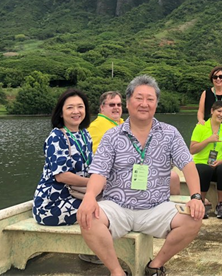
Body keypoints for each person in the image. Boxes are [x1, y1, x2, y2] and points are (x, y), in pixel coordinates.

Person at [77, 75, 204, 276]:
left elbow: (188, 165)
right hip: (117, 206)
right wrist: (90, 197)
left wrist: (196, 197)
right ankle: (116, 271)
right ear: (128, 102)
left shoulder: (169, 133)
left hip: (157, 208)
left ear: (156, 104)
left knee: (194, 219)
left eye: (150, 99)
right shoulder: (112, 135)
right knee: (87, 218)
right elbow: (99, 171)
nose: (144, 104)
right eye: (139, 98)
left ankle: (155, 265)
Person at [33, 88, 93, 226]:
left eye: (80, 107)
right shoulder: (56, 137)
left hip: (77, 195)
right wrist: (94, 184)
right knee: (102, 209)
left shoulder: (85, 135)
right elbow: (62, 176)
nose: (76, 111)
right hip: (52, 204)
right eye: (70, 108)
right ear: (61, 113)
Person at [190, 100, 222, 219]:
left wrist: (221, 161)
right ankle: (201, 203)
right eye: (219, 111)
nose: (221, 114)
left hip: (217, 164)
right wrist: (208, 140)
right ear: (212, 111)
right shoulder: (201, 127)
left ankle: (220, 205)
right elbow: (192, 150)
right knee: (205, 170)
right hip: (201, 164)